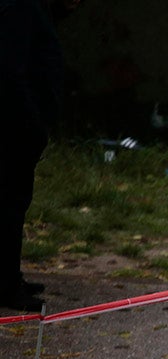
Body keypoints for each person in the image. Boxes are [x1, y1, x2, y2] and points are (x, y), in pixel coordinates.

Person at [0, 0, 67, 312]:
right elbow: (11, 70)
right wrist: (33, 123)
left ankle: (9, 277)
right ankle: (6, 285)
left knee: (14, 202)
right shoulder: (21, 5)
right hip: (15, 125)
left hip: (20, 123)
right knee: (10, 204)